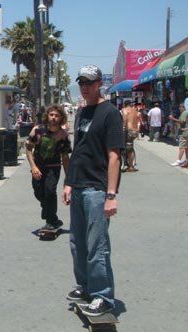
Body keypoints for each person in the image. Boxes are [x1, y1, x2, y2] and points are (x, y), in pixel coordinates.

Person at [62, 65, 124, 316]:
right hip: (78, 187)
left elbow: (114, 156)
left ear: (100, 83)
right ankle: (86, 286)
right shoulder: (81, 112)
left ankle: (102, 296)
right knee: (77, 244)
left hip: (97, 190)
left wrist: (111, 195)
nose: (85, 86)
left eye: (89, 82)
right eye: (81, 82)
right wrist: (69, 182)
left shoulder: (110, 113)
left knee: (97, 246)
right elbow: (79, 150)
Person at [26, 104, 71, 232]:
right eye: (51, 115)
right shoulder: (37, 130)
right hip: (38, 167)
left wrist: (68, 178)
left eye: (57, 116)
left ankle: (50, 221)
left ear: (61, 118)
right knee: (38, 192)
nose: (53, 118)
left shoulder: (63, 135)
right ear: (47, 116)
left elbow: (65, 157)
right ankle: (52, 216)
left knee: (50, 191)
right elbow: (28, 149)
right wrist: (33, 167)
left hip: (53, 167)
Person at [169, 103, 188, 167]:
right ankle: (187, 160)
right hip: (186, 131)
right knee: (186, 147)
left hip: (183, 132)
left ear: (183, 107)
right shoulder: (187, 113)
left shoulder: (184, 113)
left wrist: (172, 118)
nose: (179, 109)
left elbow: (182, 122)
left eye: (180, 107)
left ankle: (179, 160)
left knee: (181, 146)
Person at [121, 99, 139, 172]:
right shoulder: (134, 110)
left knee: (129, 149)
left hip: (129, 131)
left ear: (124, 104)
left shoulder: (124, 110)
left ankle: (131, 167)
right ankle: (130, 163)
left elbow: (124, 119)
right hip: (135, 131)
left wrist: (122, 126)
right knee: (130, 147)